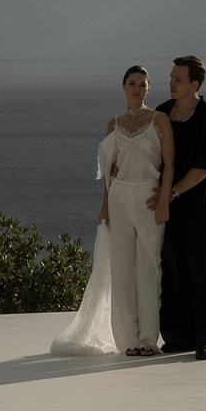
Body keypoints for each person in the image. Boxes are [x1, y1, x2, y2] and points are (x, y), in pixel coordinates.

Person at [50, 65, 175, 357]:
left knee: (148, 271)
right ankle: (128, 341)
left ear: (148, 89)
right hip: (119, 199)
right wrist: (104, 206)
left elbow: (170, 164)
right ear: (123, 87)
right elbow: (109, 173)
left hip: (148, 199)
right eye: (132, 83)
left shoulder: (160, 121)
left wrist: (165, 200)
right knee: (121, 270)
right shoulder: (114, 124)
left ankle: (148, 339)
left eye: (142, 84)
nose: (137, 89)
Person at [154, 55, 206, 359]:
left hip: (193, 205)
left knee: (201, 270)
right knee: (171, 270)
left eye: (178, 79)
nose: (171, 83)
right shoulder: (162, 112)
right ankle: (175, 337)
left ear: (194, 84)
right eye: (171, 78)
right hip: (164, 204)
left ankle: (205, 338)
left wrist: (175, 192)